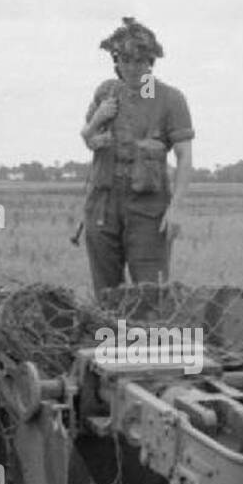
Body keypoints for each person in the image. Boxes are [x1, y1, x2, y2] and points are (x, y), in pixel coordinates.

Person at [78, 17, 193, 295]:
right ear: (116, 61)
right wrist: (98, 121)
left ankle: (150, 338)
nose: (132, 68)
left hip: (148, 207)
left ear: (151, 62)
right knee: (106, 294)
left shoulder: (170, 99)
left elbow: (184, 157)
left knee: (150, 293)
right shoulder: (106, 93)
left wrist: (175, 208)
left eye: (140, 61)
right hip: (103, 203)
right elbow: (89, 139)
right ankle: (112, 337)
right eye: (125, 60)